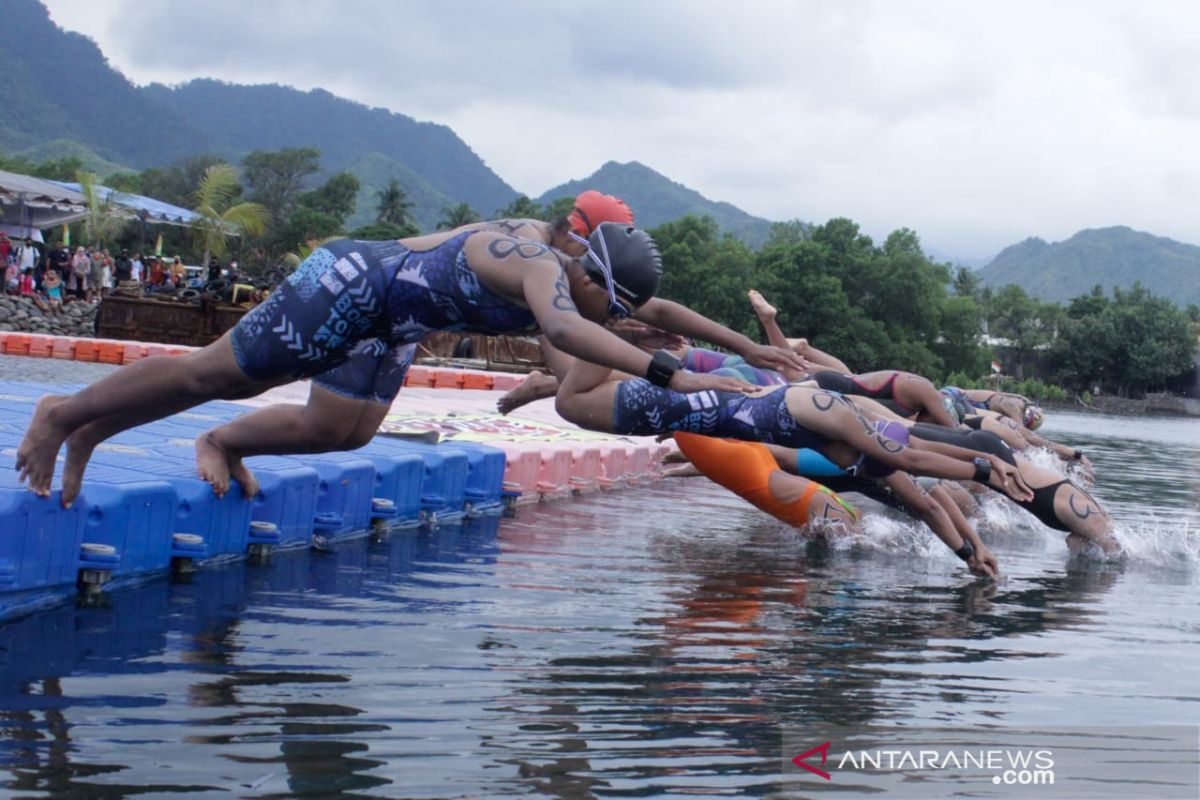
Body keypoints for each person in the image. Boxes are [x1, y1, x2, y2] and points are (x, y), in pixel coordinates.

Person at [16, 223, 759, 505]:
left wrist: (755, 349)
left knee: (342, 431)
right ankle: (65, 415)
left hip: (396, 321)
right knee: (217, 372)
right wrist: (677, 376)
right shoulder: (535, 259)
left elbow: (657, 316)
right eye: (613, 302)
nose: (618, 316)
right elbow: (566, 323)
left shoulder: (586, 286)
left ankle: (212, 441)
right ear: (591, 274)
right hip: (349, 286)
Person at [669, 433, 1000, 577]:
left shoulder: (878, 464)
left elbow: (933, 504)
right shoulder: (826, 458)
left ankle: (980, 544)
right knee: (884, 547)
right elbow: (735, 460)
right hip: (830, 510)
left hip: (826, 511)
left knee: (881, 548)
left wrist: (973, 550)